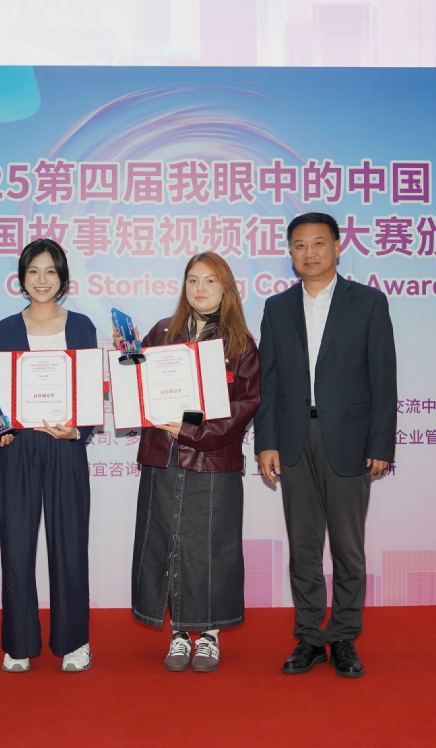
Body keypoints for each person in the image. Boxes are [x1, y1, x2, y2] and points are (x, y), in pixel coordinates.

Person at [255, 212, 396, 678]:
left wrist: (381, 443)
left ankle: (344, 638)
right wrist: (266, 441)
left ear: (338, 247)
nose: (309, 252)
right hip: (294, 439)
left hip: (350, 441)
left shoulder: (369, 302)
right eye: (299, 245)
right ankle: (310, 638)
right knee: (303, 547)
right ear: (290, 253)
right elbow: (269, 382)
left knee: (348, 550)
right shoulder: (277, 308)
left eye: (318, 243)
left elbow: (383, 378)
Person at [131, 252, 260, 674]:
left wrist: (190, 431)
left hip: (213, 459)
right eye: (192, 280)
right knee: (166, 543)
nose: (200, 288)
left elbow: (243, 407)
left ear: (226, 289)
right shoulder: (161, 332)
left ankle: (209, 635)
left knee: (211, 548)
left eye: (209, 280)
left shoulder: (240, 344)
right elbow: (137, 388)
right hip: (163, 457)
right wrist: (126, 359)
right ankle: (178, 632)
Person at [0, 239, 98, 673]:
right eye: (33, 271)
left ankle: (74, 641)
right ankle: (18, 643)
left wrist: (79, 431)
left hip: (65, 446)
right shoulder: (4, 329)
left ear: (63, 277)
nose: (42, 280)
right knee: (16, 547)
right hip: (18, 450)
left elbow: (90, 392)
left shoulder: (82, 326)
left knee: (70, 546)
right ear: (21, 277)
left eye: (51, 271)